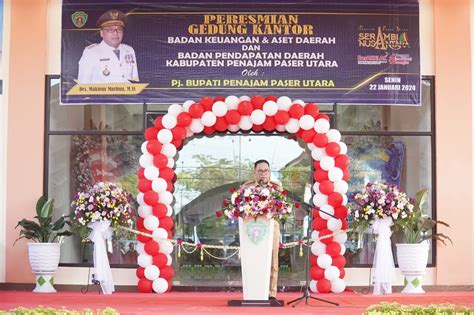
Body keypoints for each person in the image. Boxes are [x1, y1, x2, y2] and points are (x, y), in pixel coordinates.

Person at [241, 159, 282, 300]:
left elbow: (280, 209)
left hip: (272, 226)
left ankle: (272, 292)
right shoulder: (247, 187)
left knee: (272, 260)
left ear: (269, 173)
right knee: (252, 258)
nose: (263, 174)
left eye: (266, 171)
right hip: (251, 227)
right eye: (260, 171)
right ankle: (253, 290)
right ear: (255, 173)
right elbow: (239, 207)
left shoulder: (276, 188)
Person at [77, 10, 139, 84]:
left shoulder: (129, 50)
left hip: (127, 95)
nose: (115, 33)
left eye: (119, 29)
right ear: (101, 33)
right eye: (110, 30)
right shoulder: (91, 53)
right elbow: (83, 86)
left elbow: (134, 83)